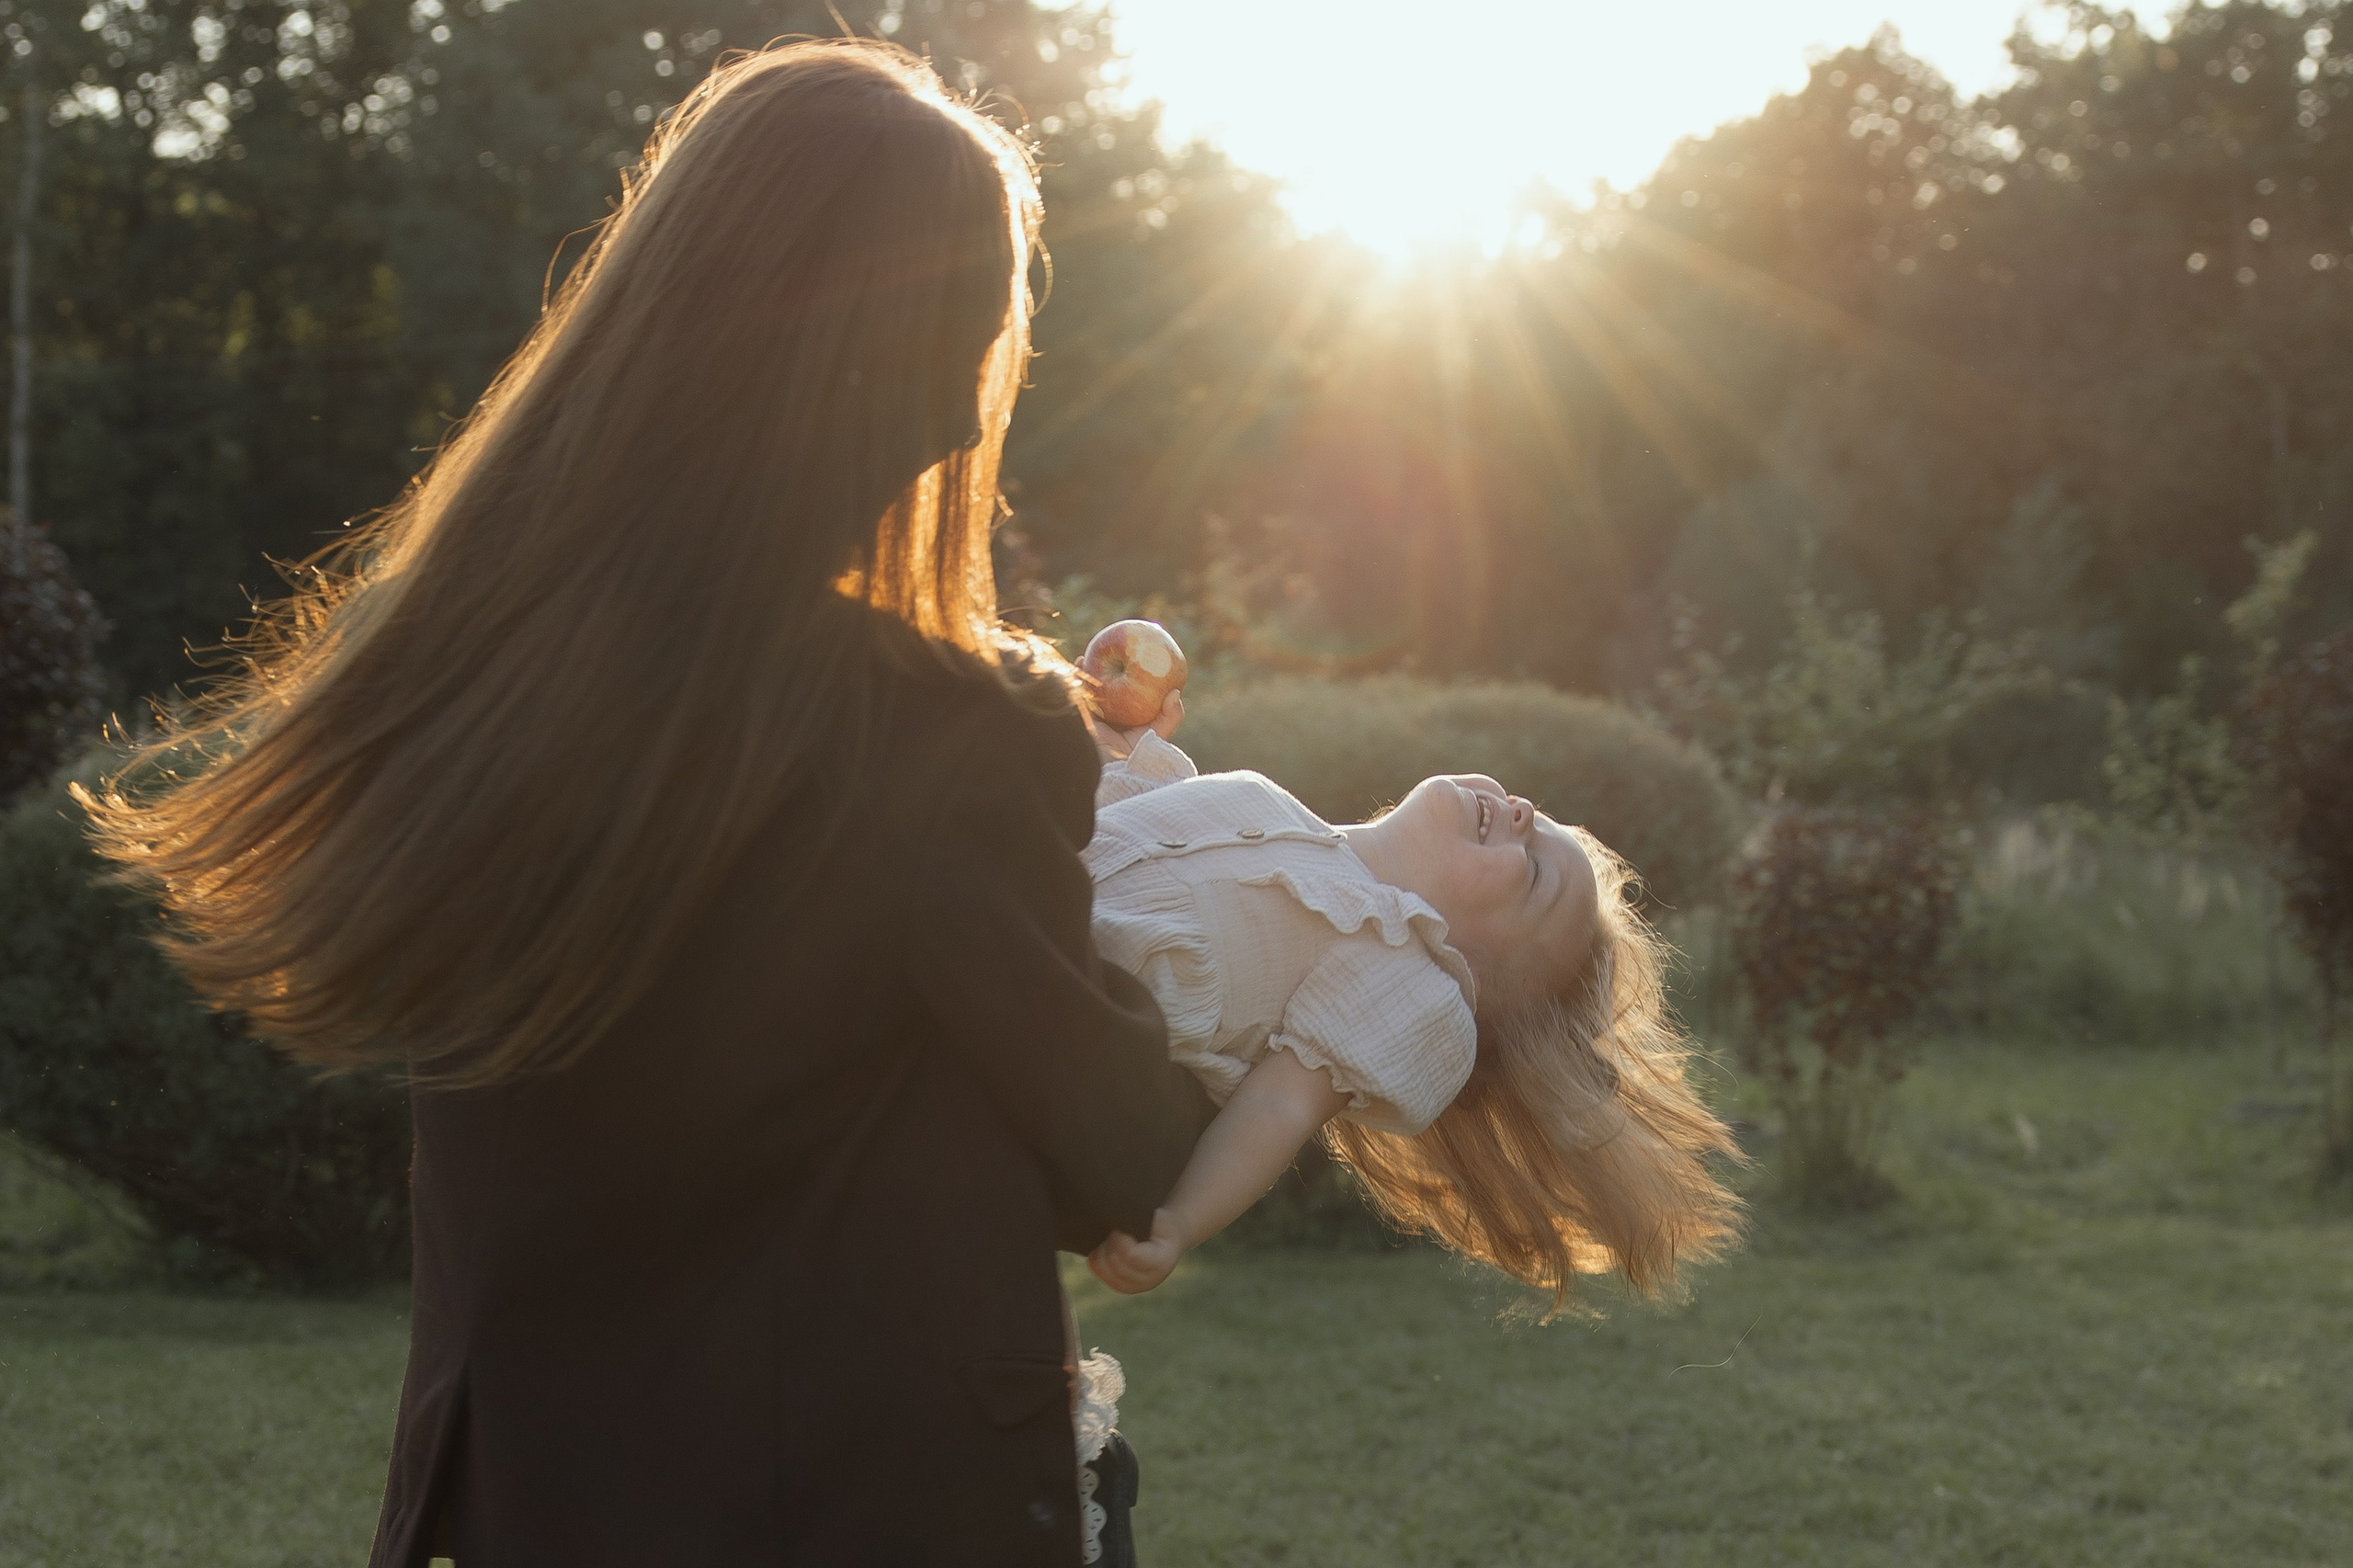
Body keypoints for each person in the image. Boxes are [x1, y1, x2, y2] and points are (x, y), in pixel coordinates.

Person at [80, 40, 1215, 1566]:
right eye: (977, 332)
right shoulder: (936, 732)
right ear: (914, 362)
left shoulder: (465, 668)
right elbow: (1124, 1157)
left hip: (522, 1509)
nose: (972, 407)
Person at [1080, 726, 1745, 1312]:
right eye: (1535, 817)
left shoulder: (1405, 973)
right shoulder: (1273, 806)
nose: (1520, 812)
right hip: (1017, 891)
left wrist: (1179, 1222)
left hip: (1074, 1000)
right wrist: (1111, 731)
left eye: (1537, 873)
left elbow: (1281, 1105)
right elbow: (1099, 820)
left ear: (1469, 976)